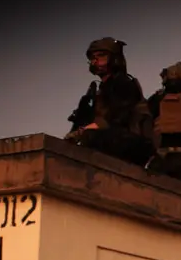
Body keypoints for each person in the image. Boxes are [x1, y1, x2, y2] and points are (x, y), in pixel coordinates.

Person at [64, 37, 155, 168]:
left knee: (90, 136)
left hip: (132, 143)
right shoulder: (95, 92)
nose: (95, 61)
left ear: (114, 58)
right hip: (110, 139)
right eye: (92, 58)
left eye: (101, 56)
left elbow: (116, 119)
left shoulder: (123, 84)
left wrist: (83, 131)